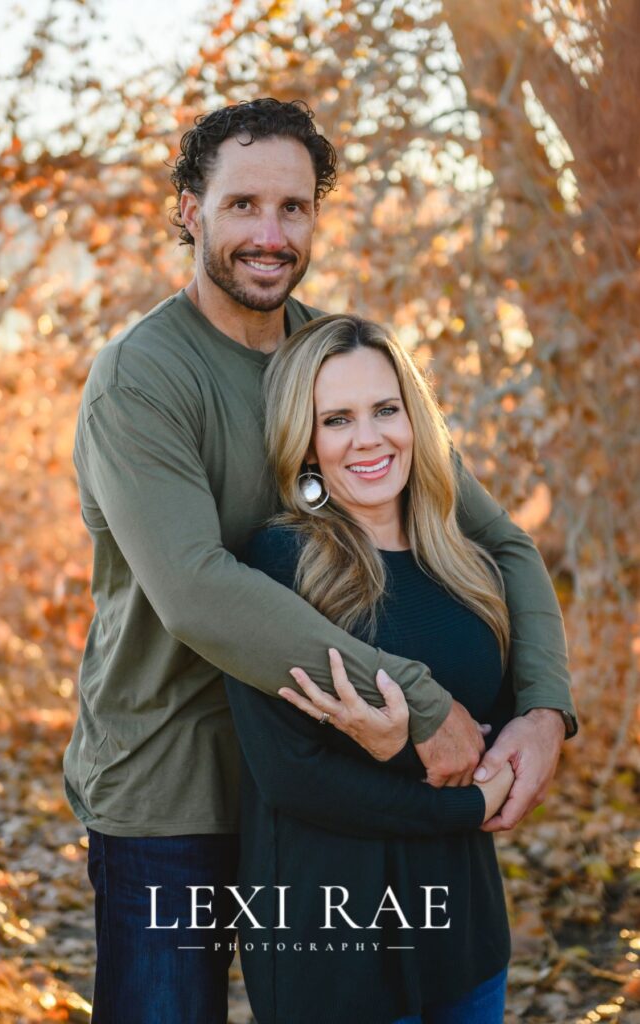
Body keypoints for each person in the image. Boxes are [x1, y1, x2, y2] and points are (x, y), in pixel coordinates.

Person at [63, 98, 576, 1023]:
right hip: (178, 779)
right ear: (190, 210)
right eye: (242, 205)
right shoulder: (142, 378)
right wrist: (419, 703)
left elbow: (493, 538)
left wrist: (542, 709)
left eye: (292, 208)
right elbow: (197, 591)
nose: (269, 232)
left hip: (336, 777)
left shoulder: (342, 362)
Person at [224, 313, 527, 1023]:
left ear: (413, 419)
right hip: (335, 955)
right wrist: (465, 802)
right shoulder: (275, 565)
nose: (368, 438)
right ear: (304, 440)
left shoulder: (462, 562)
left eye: (385, 410)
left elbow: (499, 722)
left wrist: (415, 752)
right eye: (336, 419)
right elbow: (292, 777)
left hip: (466, 938)